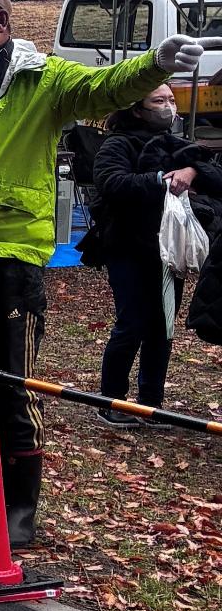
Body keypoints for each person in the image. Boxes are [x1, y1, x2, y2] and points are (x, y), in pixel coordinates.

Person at [0, 0, 199, 545]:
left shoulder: (42, 79)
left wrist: (156, 64)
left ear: (1, 21)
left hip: (7, 255)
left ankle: (20, 506)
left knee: (10, 382)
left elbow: (105, 88)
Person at [88, 84, 222, 424]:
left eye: (170, 100)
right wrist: (161, 181)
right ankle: (111, 402)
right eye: (158, 101)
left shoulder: (182, 145)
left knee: (162, 327)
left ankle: (152, 403)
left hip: (167, 252)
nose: (167, 107)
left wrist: (192, 171)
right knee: (131, 323)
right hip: (127, 247)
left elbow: (213, 176)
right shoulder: (118, 144)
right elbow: (112, 183)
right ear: (137, 108)